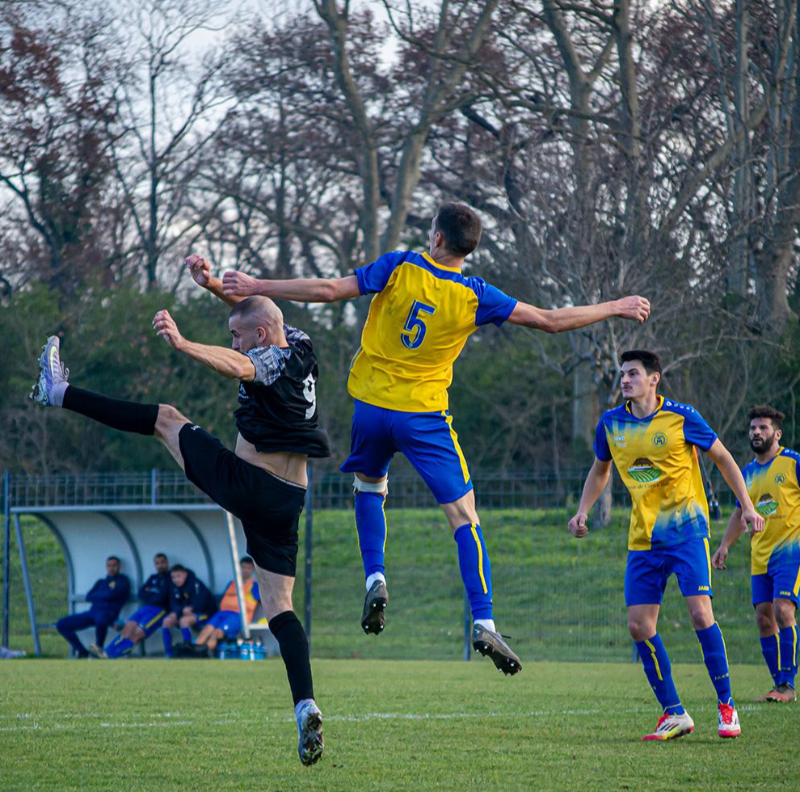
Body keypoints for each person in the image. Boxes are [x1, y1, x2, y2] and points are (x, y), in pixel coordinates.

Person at [219, 201, 650, 675]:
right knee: (463, 516)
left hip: (371, 407)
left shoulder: (399, 265)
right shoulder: (475, 293)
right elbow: (548, 320)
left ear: (438, 238)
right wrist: (615, 307)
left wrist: (259, 286)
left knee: (368, 486)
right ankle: (484, 619)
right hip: (423, 416)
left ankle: (376, 576)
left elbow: (328, 289)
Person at [29, 291, 329, 765]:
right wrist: (214, 285)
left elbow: (239, 367)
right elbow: (257, 310)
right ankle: (305, 704)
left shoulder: (266, 359)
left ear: (262, 335)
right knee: (279, 606)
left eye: (237, 336)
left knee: (165, 419)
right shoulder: (303, 343)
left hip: (250, 484)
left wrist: (185, 344)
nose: (234, 343)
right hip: (289, 501)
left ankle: (58, 391)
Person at [568, 350, 764, 741]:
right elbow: (600, 469)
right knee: (639, 625)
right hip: (643, 539)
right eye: (623, 374)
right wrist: (582, 510)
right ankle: (674, 712)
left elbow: (724, 458)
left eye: (634, 373)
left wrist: (747, 506)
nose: (625, 379)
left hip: (688, 531)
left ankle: (727, 707)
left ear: (654, 379)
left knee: (699, 614)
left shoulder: (681, 416)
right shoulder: (611, 423)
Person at [712, 405, 799, 703]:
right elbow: (740, 513)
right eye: (752, 428)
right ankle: (778, 685)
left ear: (777, 433)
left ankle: (788, 684)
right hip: (759, 557)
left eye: (762, 428)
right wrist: (724, 545)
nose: (756, 433)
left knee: (783, 610)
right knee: (764, 619)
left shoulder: (793, 463)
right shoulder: (746, 473)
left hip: (791, 552)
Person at [91, 552, 171, 659]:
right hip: (145, 608)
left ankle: (111, 657)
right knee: (127, 629)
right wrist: (156, 594)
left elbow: (163, 596)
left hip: (160, 611)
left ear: (167, 563)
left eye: (162, 562)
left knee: (137, 635)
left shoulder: (171, 578)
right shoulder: (153, 578)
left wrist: (153, 593)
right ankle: (105, 652)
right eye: (157, 563)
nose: (160, 565)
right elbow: (142, 593)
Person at [55, 556, 130, 658]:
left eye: (114, 565)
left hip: (109, 614)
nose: (111, 568)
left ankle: (98, 648)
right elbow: (89, 596)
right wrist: (105, 594)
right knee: (62, 624)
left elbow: (112, 595)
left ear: (119, 566)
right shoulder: (101, 582)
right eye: (109, 566)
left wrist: (101, 595)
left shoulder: (122, 581)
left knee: (101, 618)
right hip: (92, 613)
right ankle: (81, 650)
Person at [188, 556, 261, 656]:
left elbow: (262, 599)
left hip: (239, 616)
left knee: (216, 633)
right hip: (223, 613)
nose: (245, 570)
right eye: (243, 567)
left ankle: (204, 652)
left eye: (248, 568)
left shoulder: (254, 585)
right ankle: (193, 652)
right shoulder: (232, 583)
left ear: (252, 569)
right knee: (206, 630)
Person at [162, 564, 217, 653]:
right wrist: (181, 610)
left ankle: (188, 651)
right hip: (185, 613)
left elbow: (201, 604)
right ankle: (168, 653)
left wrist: (189, 610)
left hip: (206, 614)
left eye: (178, 576)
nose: (176, 580)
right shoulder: (174, 586)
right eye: (173, 577)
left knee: (184, 621)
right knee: (166, 621)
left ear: (185, 574)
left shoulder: (195, 583)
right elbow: (173, 603)